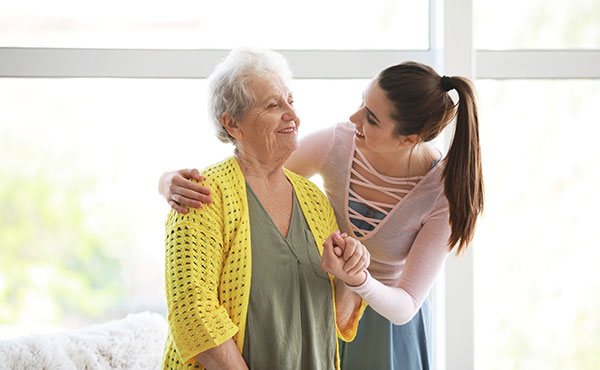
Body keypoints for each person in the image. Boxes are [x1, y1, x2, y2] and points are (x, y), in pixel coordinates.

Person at [160, 59, 483, 370]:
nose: (354, 118)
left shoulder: (442, 193)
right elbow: (254, 172)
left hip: (382, 320)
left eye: (371, 118)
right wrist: (167, 182)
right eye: (274, 105)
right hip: (333, 313)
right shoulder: (338, 144)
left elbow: (402, 305)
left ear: (409, 139)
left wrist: (354, 277)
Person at [161, 48, 370, 370]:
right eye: (273, 105)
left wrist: (350, 278)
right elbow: (193, 312)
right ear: (232, 124)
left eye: (291, 101)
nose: (292, 115)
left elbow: (334, 319)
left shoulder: (313, 199)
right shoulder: (200, 196)